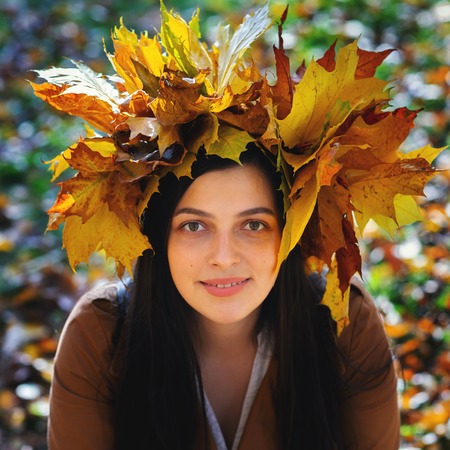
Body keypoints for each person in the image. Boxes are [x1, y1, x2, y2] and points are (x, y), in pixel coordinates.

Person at [31, 4, 442, 450]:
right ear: (155, 236)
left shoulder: (342, 324)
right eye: (193, 227)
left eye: (253, 224)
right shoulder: (102, 335)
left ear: (290, 230)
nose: (224, 255)